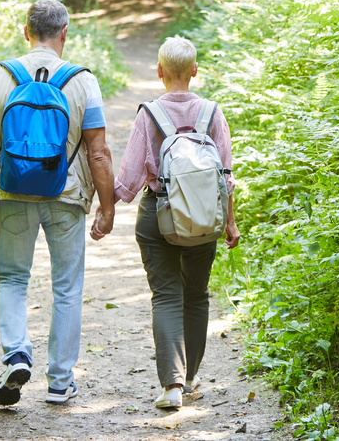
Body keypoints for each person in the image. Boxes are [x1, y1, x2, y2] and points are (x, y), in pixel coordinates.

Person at [0, 0, 116, 407]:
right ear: (65, 33)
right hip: (66, 197)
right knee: (67, 287)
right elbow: (98, 152)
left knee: (13, 278)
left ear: (25, 30)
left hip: (12, 193)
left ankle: (16, 352)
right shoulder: (83, 81)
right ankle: (60, 381)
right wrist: (108, 206)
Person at [110, 35, 240, 409]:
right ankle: (193, 377)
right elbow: (225, 176)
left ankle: (172, 387)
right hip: (204, 218)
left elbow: (130, 181)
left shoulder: (148, 114)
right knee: (196, 296)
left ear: (159, 71)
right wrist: (229, 223)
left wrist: (105, 205)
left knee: (166, 295)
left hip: (159, 217)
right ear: (195, 71)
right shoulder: (213, 113)